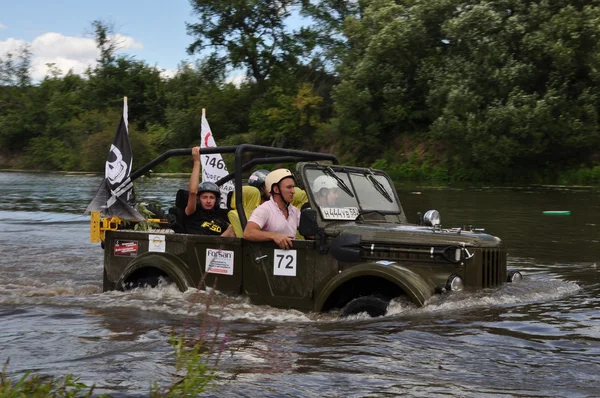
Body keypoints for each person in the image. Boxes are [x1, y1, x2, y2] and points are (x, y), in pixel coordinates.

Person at [244, 168, 300, 249]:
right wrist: (274, 236)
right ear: (276, 189)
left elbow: (310, 232)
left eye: (293, 187)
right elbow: (248, 233)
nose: (293, 191)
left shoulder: (295, 211)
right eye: (289, 187)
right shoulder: (264, 209)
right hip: (267, 258)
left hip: (292, 256)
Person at [185, 146, 235, 237]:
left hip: (219, 248)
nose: (208, 201)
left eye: (212, 197)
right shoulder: (192, 212)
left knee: (234, 227)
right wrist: (196, 162)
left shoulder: (220, 216)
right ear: (199, 199)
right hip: (196, 246)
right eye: (204, 197)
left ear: (216, 200)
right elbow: (193, 192)